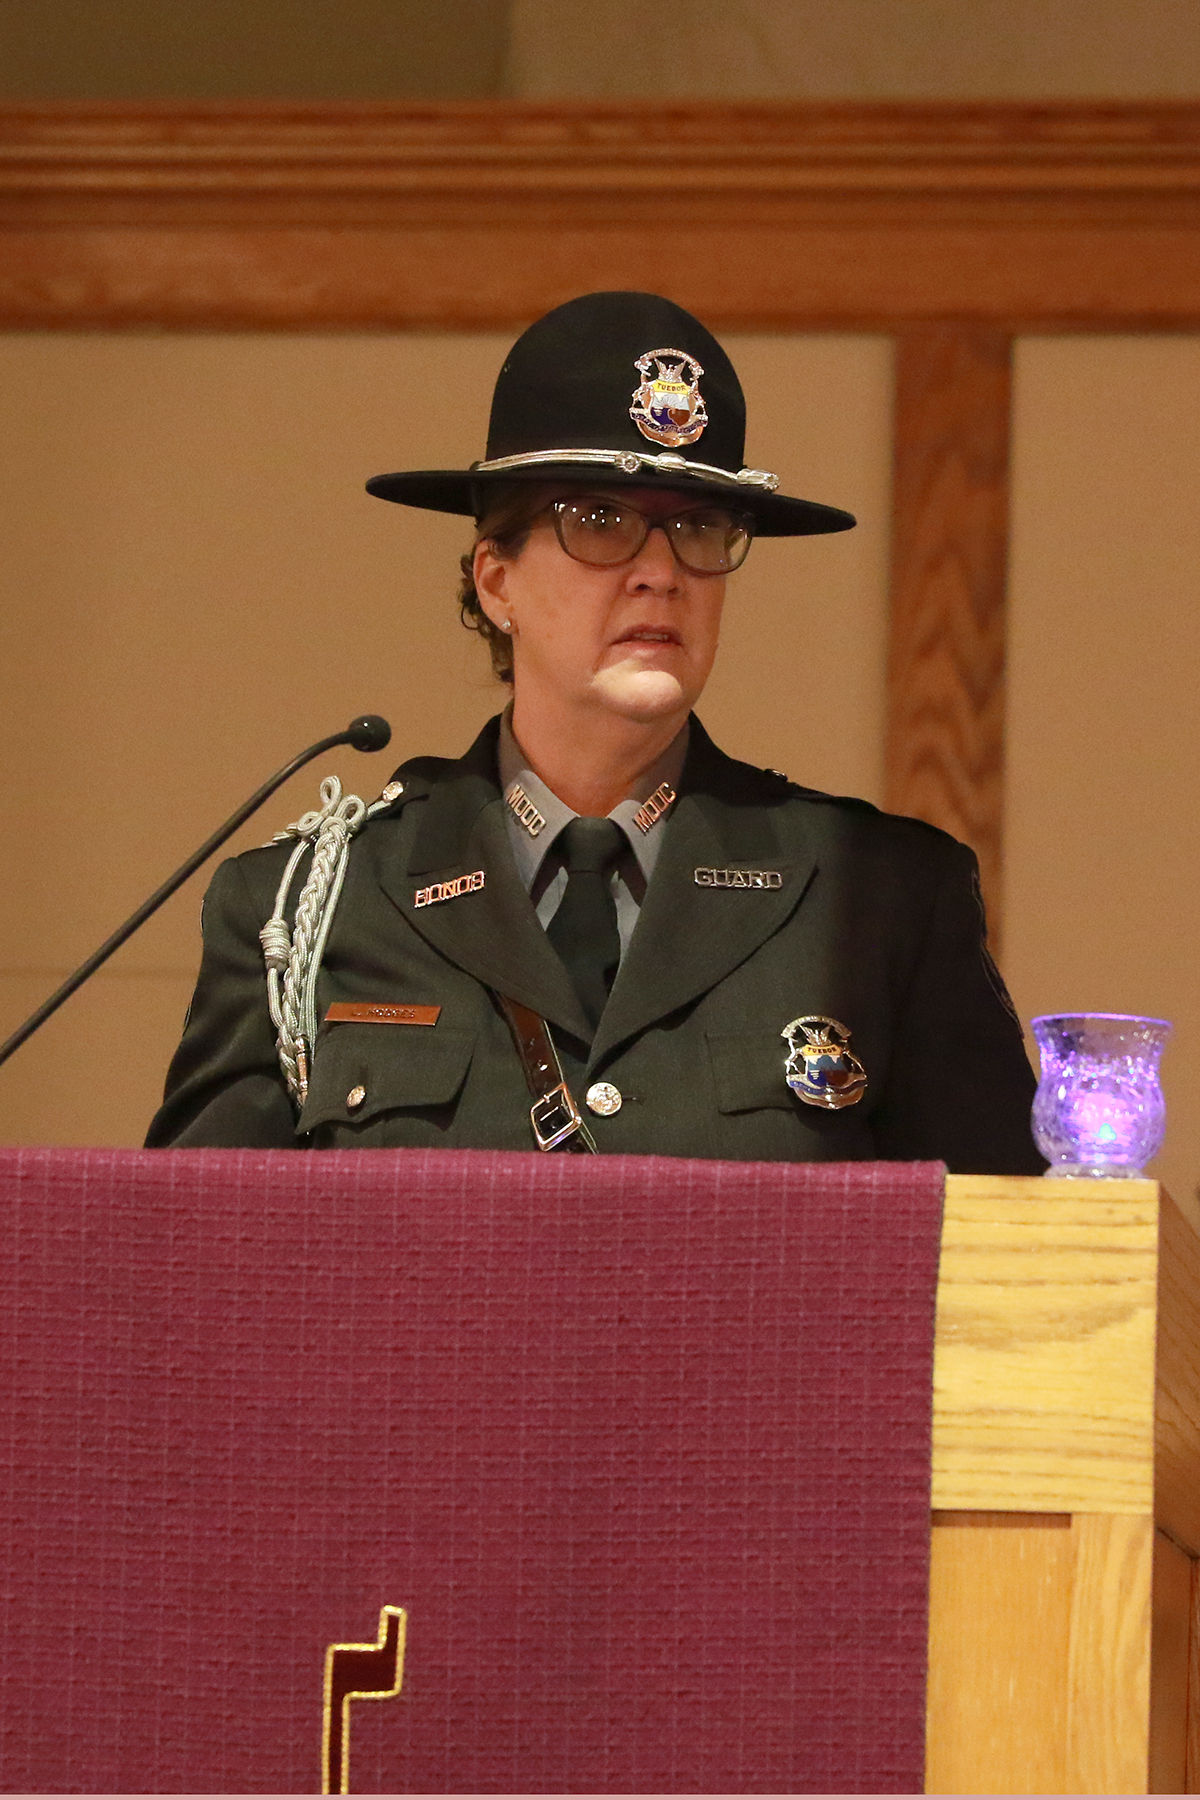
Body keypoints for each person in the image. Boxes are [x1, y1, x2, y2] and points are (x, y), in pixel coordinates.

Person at [146, 290, 1041, 1171]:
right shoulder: (308, 905)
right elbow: (187, 1241)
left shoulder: (879, 895)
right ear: (496, 581)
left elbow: (1010, 1242)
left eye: (699, 527)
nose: (661, 572)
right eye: (600, 522)